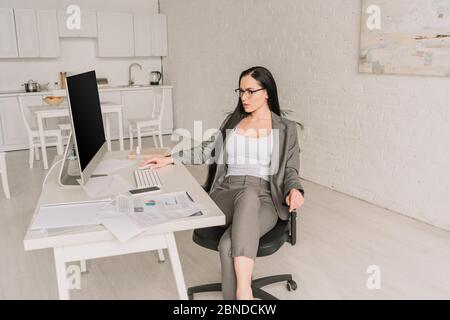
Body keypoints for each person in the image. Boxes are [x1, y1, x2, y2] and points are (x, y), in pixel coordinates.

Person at [141, 66, 305, 300]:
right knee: (247, 195)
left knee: (228, 245)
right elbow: (207, 150)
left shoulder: (286, 129)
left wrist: (295, 189)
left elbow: (290, 170)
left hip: (266, 198)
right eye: (241, 91)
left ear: (267, 92)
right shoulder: (234, 121)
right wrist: (170, 158)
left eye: (250, 91)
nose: (243, 97)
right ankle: (245, 292)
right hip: (227, 192)